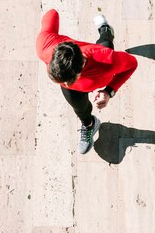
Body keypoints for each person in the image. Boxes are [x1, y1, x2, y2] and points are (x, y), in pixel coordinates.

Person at [36, 9, 138, 153]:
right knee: (79, 108)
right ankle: (90, 124)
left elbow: (132, 64)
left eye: (66, 82)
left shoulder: (107, 61)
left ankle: (105, 29)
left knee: (105, 42)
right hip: (77, 89)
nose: (63, 85)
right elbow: (52, 14)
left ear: (80, 71)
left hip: (100, 61)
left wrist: (109, 91)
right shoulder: (44, 47)